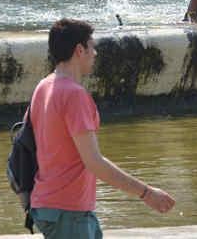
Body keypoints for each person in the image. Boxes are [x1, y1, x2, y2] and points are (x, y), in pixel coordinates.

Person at [28, 18, 176, 238]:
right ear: (80, 50)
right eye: (92, 47)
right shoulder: (74, 95)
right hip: (69, 211)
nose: (95, 54)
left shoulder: (45, 85)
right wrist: (146, 193)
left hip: (51, 205)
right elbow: (94, 162)